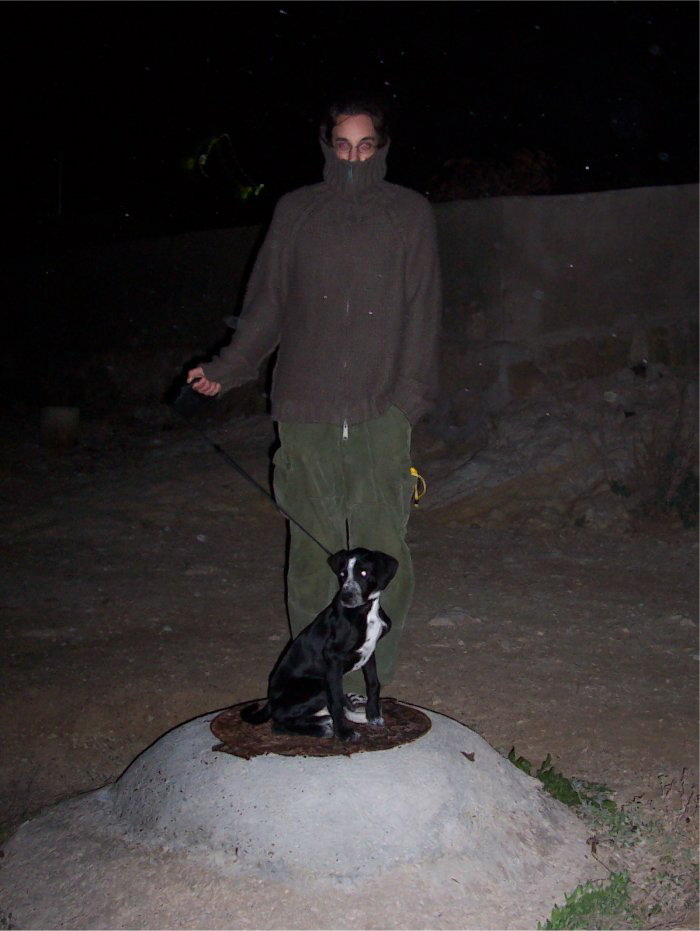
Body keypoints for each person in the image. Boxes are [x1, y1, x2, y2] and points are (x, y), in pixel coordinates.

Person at [188, 95, 442, 696]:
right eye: (342, 144)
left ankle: (369, 688)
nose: (353, 156)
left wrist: (407, 399)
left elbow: (424, 310)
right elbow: (268, 304)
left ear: (382, 147)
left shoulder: (408, 213)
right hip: (305, 409)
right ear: (327, 145)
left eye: (366, 145)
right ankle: (310, 684)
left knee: (385, 554)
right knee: (311, 553)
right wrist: (229, 368)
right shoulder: (297, 211)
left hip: (382, 412)